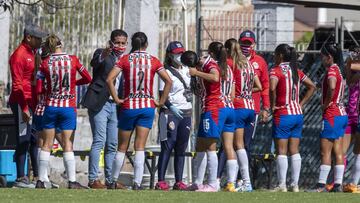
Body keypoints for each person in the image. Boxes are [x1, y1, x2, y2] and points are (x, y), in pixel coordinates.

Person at [106, 32, 172, 190]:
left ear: (131, 44)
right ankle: (137, 183)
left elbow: (109, 79)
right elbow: (168, 81)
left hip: (129, 106)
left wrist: (116, 98)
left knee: (122, 146)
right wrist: (161, 102)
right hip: (147, 106)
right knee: (140, 146)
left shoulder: (125, 59)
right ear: (146, 44)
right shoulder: (153, 60)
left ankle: (112, 181)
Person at [36, 34, 92, 189]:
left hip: (51, 107)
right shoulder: (72, 59)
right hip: (68, 107)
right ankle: (72, 181)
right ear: (61, 44)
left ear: (48, 47)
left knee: (46, 144)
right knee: (68, 144)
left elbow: (39, 88)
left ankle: (41, 180)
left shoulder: (45, 63)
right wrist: (73, 84)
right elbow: (88, 78)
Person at [182, 42, 235, 192]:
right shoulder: (222, 66)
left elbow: (215, 77)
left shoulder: (209, 64)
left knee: (210, 146)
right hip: (224, 108)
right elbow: (230, 91)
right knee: (200, 145)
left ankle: (213, 183)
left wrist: (196, 73)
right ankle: (198, 182)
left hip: (214, 108)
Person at [81, 29, 128, 189]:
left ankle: (110, 180)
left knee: (113, 143)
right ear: (111, 42)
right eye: (117, 42)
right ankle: (93, 179)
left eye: (123, 43)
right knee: (99, 141)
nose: (120, 46)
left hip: (116, 105)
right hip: (99, 103)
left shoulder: (127, 59)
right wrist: (104, 55)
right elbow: (95, 63)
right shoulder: (103, 53)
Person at [269, 44, 315, 192]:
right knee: (295, 150)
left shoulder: (275, 70)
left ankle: (281, 185)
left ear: (280, 55)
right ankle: (295, 185)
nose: (274, 57)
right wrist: (300, 103)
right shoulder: (297, 71)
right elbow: (312, 86)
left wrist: (273, 104)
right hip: (297, 114)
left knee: (281, 150)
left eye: (275, 54)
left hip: (283, 114)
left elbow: (271, 87)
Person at [8, 24, 47, 188]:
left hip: (32, 103)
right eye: (38, 38)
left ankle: (38, 177)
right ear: (28, 38)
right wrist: (24, 108)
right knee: (23, 138)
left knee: (33, 139)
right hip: (21, 102)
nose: (40, 41)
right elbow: (17, 86)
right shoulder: (19, 55)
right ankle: (21, 178)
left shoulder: (33, 53)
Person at [155, 41, 192, 191]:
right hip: (169, 112)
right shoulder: (165, 71)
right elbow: (161, 93)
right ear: (170, 55)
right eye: (176, 53)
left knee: (181, 147)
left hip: (186, 112)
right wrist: (170, 106)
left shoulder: (188, 70)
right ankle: (161, 181)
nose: (179, 56)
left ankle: (179, 181)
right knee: (167, 145)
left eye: (181, 53)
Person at [227, 38, 263, 192]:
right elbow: (259, 86)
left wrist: (237, 95)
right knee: (240, 145)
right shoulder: (247, 64)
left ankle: (244, 182)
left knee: (237, 145)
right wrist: (247, 92)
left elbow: (232, 90)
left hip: (239, 107)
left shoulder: (231, 64)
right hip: (250, 107)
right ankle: (238, 182)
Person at [312, 44, 347, 192]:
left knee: (325, 151)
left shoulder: (332, 69)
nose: (321, 59)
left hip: (332, 113)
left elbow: (332, 87)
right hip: (341, 113)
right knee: (338, 151)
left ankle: (321, 186)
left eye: (322, 56)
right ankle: (338, 184)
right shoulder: (339, 69)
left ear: (329, 57)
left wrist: (325, 104)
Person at [238, 30, 270, 156]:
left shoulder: (260, 62)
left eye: (249, 44)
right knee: (231, 142)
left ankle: (243, 175)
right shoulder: (233, 60)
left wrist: (266, 108)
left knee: (246, 143)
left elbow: (265, 86)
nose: (246, 47)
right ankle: (229, 174)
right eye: (243, 43)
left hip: (253, 109)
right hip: (236, 107)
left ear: (254, 44)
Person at [343, 47, 360, 193]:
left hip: (358, 113)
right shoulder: (355, 68)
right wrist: (350, 61)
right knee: (343, 149)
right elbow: (350, 80)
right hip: (351, 112)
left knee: (358, 150)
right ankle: (337, 182)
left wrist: (351, 63)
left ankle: (354, 183)